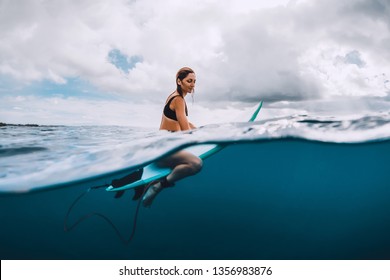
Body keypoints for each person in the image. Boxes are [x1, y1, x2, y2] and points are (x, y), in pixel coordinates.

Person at [142, 67, 203, 207]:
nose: (193, 85)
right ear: (179, 81)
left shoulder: (174, 96)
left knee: (188, 160)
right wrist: (196, 137)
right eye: (189, 81)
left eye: (194, 81)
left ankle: (151, 184)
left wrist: (199, 130)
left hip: (160, 144)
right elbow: (185, 129)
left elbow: (183, 122)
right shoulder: (178, 100)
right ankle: (158, 186)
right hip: (164, 147)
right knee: (196, 164)